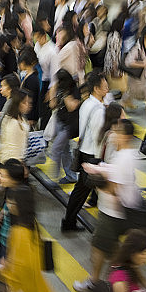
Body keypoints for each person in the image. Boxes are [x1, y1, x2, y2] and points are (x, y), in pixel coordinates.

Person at [73, 119, 145, 292]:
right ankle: (130, 283)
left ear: (126, 137)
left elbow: (114, 189)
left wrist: (96, 180)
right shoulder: (125, 154)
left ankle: (96, 282)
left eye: (117, 132)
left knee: (98, 247)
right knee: (114, 252)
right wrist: (102, 169)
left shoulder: (123, 159)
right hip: (118, 212)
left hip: (113, 213)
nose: (113, 134)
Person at [62, 72, 108, 232]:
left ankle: (69, 221)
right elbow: (98, 137)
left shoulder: (87, 103)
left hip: (83, 151)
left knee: (81, 190)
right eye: (105, 86)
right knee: (83, 191)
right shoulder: (98, 110)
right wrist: (100, 160)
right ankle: (69, 222)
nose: (108, 88)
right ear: (96, 88)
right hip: (92, 155)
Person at [49, 69, 80, 184]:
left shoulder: (74, 90)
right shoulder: (59, 88)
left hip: (69, 125)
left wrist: (66, 93)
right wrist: (54, 90)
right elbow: (52, 104)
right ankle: (71, 175)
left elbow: (72, 107)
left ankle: (54, 178)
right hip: (60, 120)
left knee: (56, 149)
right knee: (65, 150)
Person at [123, 30, 146, 127]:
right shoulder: (137, 47)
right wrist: (143, 64)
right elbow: (128, 62)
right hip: (136, 80)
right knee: (130, 94)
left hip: (143, 80)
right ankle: (118, 109)